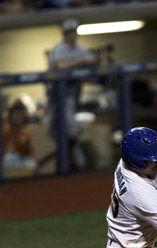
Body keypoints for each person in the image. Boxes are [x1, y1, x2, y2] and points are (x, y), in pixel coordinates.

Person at [47, 18, 97, 172]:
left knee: (72, 129)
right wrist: (80, 61)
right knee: (55, 131)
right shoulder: (59, 48)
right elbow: (60, 65)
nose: (72, 35)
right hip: (55, 97)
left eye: (74, 32)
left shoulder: (80, 48)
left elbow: (93, 59)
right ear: (64, 34)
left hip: (72, 96)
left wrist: (80, 60)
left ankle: (69, 165)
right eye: (69, 32)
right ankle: (66, 164)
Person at [2, 100, 37, 170]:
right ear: (11, 115)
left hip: (20, 164)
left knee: (31, 164)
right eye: (16, 114)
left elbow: (30, 155)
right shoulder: (4, 131)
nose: (18, 117)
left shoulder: (25, 134)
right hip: (4, 164)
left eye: (21, 114)